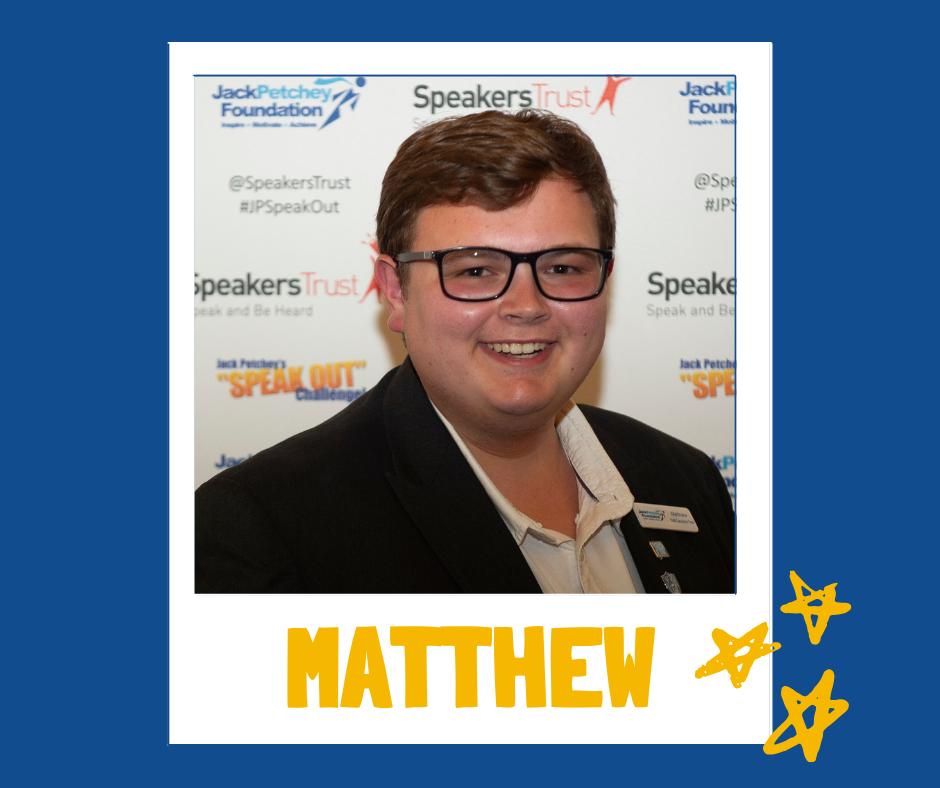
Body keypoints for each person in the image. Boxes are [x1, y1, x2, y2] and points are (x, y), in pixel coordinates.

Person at [195, 109, 734, 594]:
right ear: (395, 291)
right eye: (476, 270)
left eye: (563, 268)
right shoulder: (262, 528)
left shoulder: (686, 480)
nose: (526, 305)